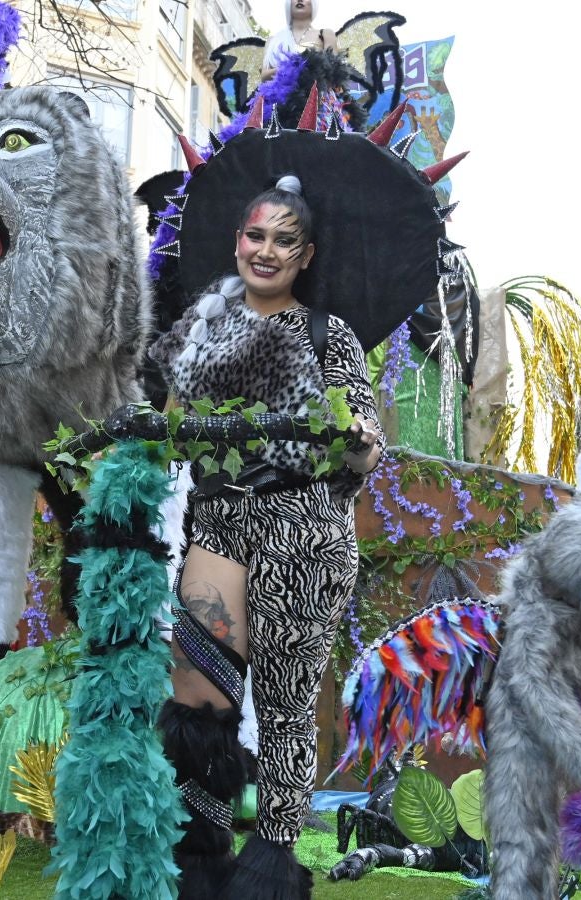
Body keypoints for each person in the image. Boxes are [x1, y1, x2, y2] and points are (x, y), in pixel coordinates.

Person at [149, 175, 383, 895]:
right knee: (197, 693)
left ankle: (271, 863)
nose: (266, 249)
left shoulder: (325, 334)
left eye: (284, 239)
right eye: (256, 235)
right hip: (218, 521)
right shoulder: (201, 330)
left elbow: (367, 444)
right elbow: (171, 430)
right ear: (237, 242)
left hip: (302, 526)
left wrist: (349, 436)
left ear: (304, 254)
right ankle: (199, 851)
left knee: (284, 701)